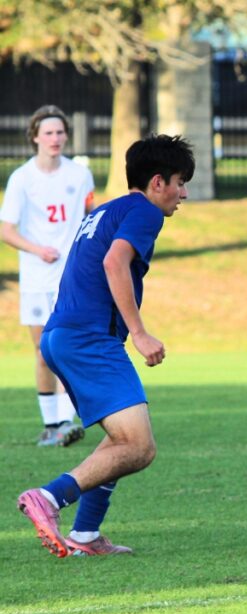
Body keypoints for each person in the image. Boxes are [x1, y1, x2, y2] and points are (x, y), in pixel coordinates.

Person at [17, 134, 194, 557]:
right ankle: (49, 497)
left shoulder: (105, 210)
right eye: (180, 182)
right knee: (138, 446)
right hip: (87, 339)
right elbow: (114, 261)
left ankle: (86, 535)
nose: (183, 193)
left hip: (62, 335)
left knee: (119, 437)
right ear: (156, 182)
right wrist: (139, 331)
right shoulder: (145, 213)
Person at [1, 105, 95, 446]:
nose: (55, 138)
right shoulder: (22, 179)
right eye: (49, 133)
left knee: (69, 345)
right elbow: (6, 230)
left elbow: (88, 218)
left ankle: (67, 421)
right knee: (43, 350)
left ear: (66, 135)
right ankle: (50, 423)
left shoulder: (79, 175)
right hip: (38, 278)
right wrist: (37, 249)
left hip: (72, 278)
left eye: (60, 132)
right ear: (35, 137)